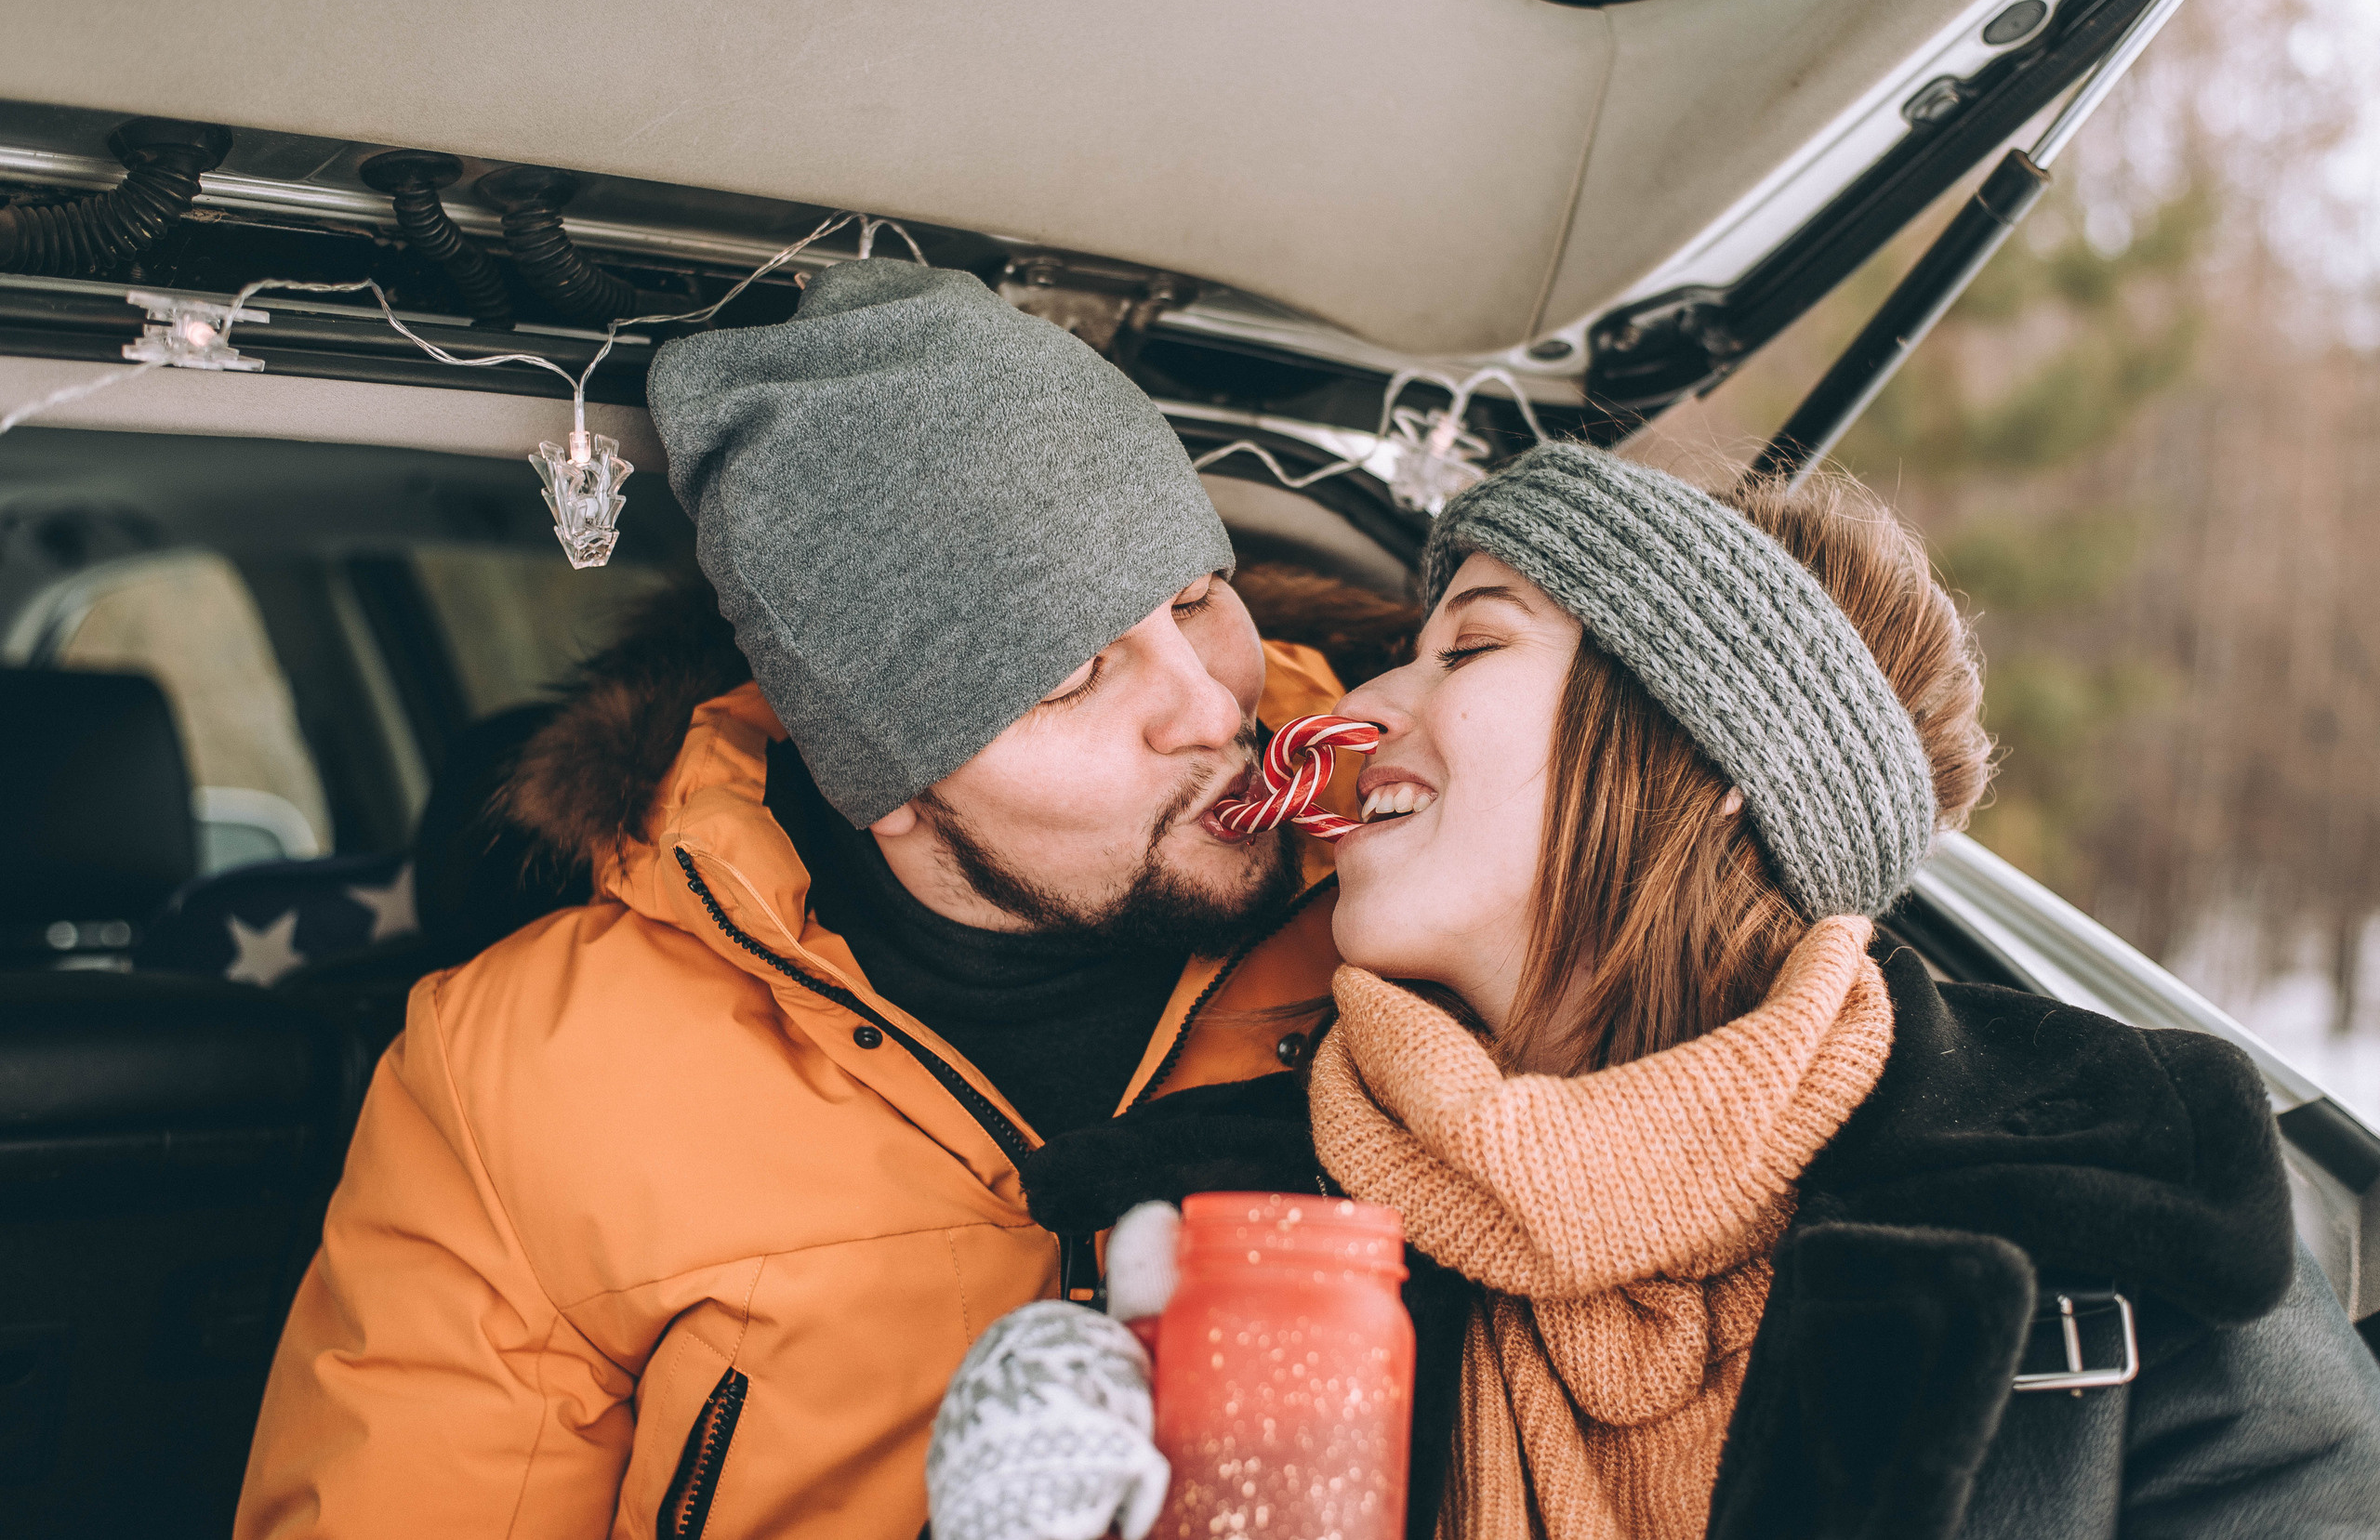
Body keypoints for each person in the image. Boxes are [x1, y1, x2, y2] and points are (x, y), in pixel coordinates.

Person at [233, 260, 1359, 1539]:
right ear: (889, 780)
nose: (1217, 707)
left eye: (1199, 597)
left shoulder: (1436, 882)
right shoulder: (532, 1072)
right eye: (1074, 673)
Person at [1303, 443, 2380, 1538]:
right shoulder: (1254, 1195)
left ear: (1702, 743)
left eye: (1470, 645)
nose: (1365, 702)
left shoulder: (2122, 1180)